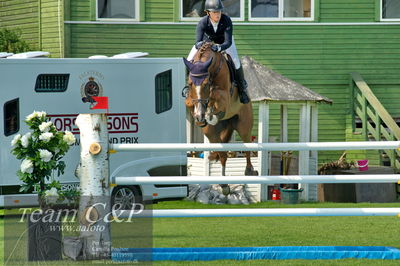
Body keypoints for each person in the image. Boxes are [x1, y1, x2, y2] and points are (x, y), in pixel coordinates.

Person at [187, 0, 250, 104]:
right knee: (189, 60)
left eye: (219, 12)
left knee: (236, 61)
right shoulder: (202, 22)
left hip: (223, 42)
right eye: (215, 12)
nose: (218, 14)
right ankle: (188, 86)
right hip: (206, 42)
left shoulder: (226, 20)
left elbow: (228, 42)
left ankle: (241, 88)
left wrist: (219, 48)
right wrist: (202, 45)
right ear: (208, 13)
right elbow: (197, 42)